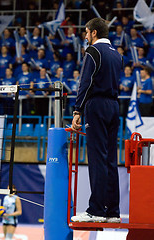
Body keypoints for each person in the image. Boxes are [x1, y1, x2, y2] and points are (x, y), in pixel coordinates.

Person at [71, 18, 122, 223]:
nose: (85, 36)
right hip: (114, 107)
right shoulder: (117, 55)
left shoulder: (93, 52)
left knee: (97, 158)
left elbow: (86, 82)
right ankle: (113, 212)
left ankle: (96, 210)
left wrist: (77, 111)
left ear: (93, 33)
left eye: (86, 32)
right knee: (110, 158)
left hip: (97, 106)